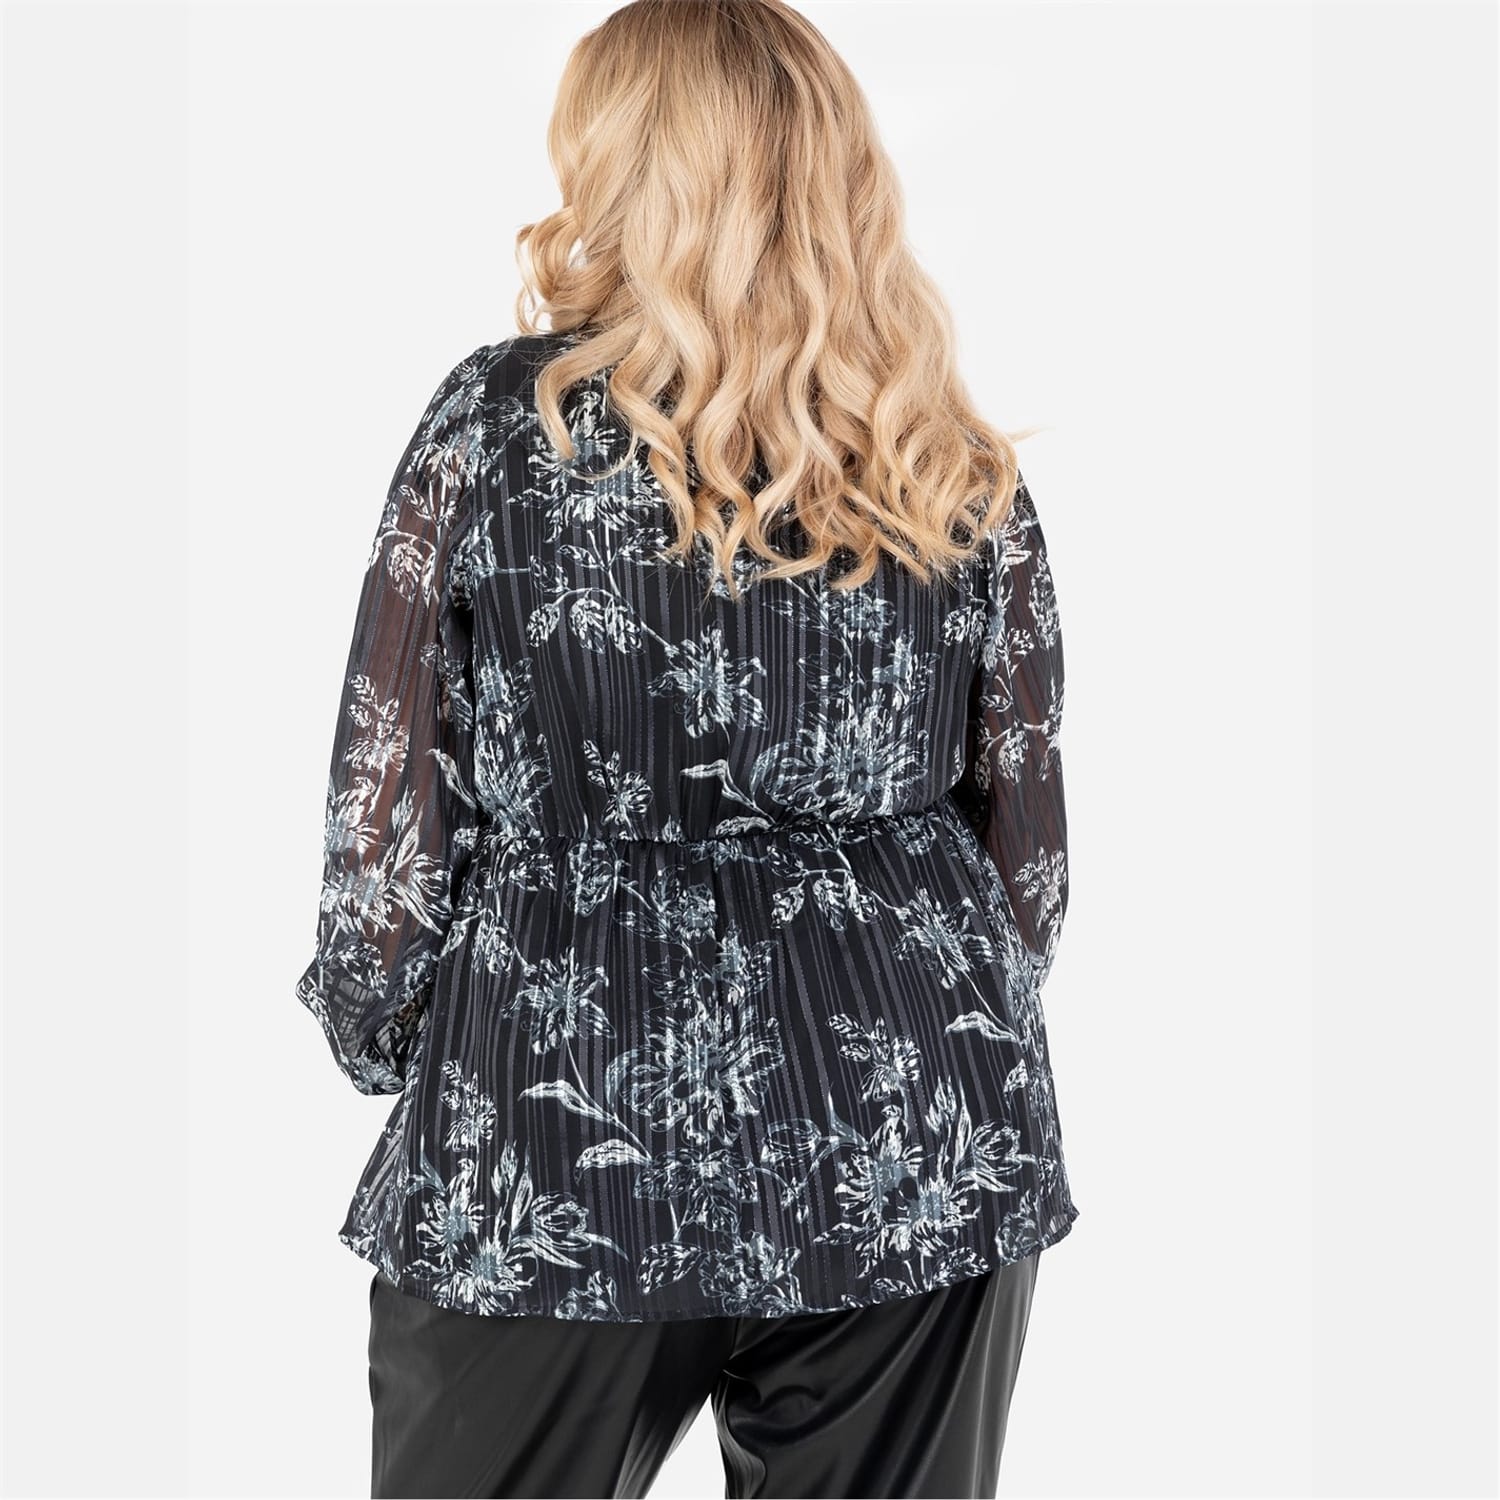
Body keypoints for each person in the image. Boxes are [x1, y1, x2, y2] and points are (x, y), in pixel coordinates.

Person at [293, 2, 1080, 1495]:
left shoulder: (498, 427)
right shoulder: (943, 457)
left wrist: (378, 1024)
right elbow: (1024, 855)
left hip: (553, 1115)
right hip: (911, 1127)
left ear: (615, 161)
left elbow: (389, 786)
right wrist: (923, 1026)